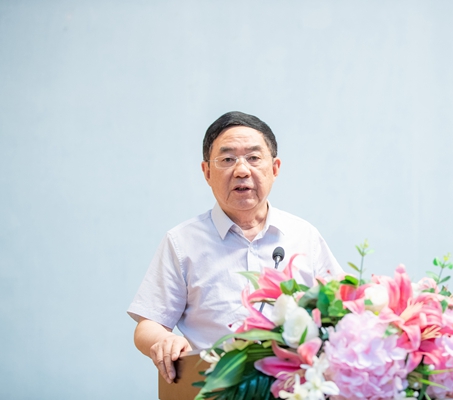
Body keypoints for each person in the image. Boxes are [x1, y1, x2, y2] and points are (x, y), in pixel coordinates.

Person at [127, 111, 343, 384]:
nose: (242, 171)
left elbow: (341, 309)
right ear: (207, 172)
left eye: (253, 158)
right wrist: (163, 340)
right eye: (227, 159)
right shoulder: (182, 242)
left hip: (293, 388)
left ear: (275, 168)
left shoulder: (303, 236)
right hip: (215, 387)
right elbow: (148, 323)